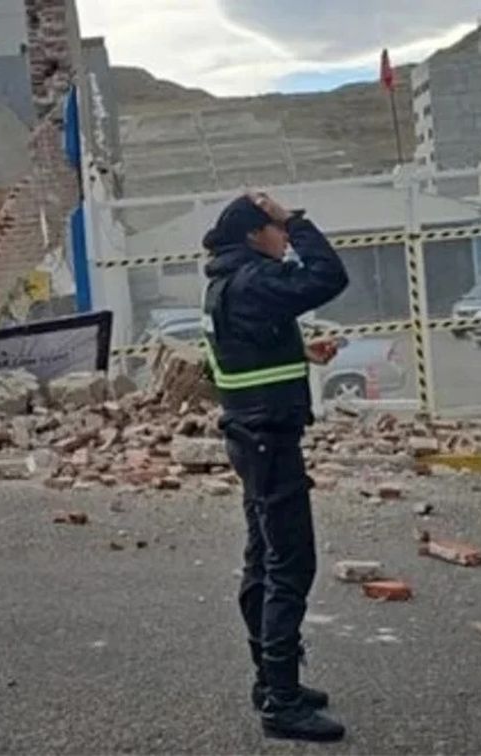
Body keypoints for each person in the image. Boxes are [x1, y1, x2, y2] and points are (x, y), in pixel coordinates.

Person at [201, 192, 349, 742]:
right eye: (276, 228)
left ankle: (270, 681)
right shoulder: (255, 279)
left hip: (250, 435)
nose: (283, 236)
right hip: (267, 439)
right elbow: (328, 277)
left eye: (284, 227)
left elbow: (232, 354)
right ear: (252, 235)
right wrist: (301, 221)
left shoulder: (225, 281)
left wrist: (297, 354)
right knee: (289, 564)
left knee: (263, 559)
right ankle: (281, 703)